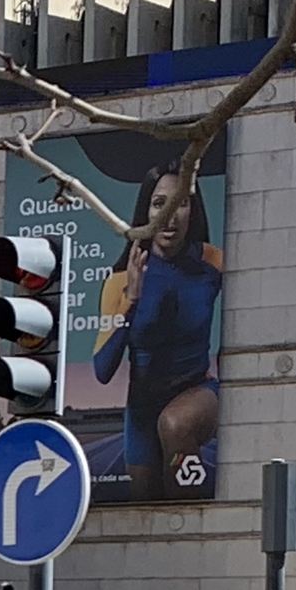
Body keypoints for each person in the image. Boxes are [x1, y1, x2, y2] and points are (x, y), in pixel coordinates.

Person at [92, 166, 223, 497]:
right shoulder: (120, 280)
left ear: (192, 210)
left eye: (180, 203)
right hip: (142, 410)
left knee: (175, 425)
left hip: (197, 393)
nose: (170, 215)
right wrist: (131, 302)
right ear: (146, 212)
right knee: (146, 510)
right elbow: (102, 371)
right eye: (159, 203)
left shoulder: (213, 262)